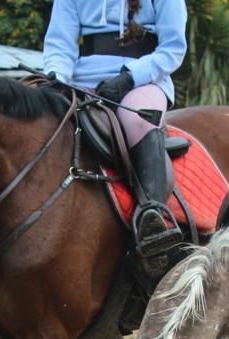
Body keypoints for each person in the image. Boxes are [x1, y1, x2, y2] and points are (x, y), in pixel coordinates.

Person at [42, 0, 189, 277]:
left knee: (136, 120)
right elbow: (60, 45)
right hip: (81, 82)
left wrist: (129, 78)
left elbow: (172, 49)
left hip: (143, 82)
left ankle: (153, 219)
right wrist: (56, 77)